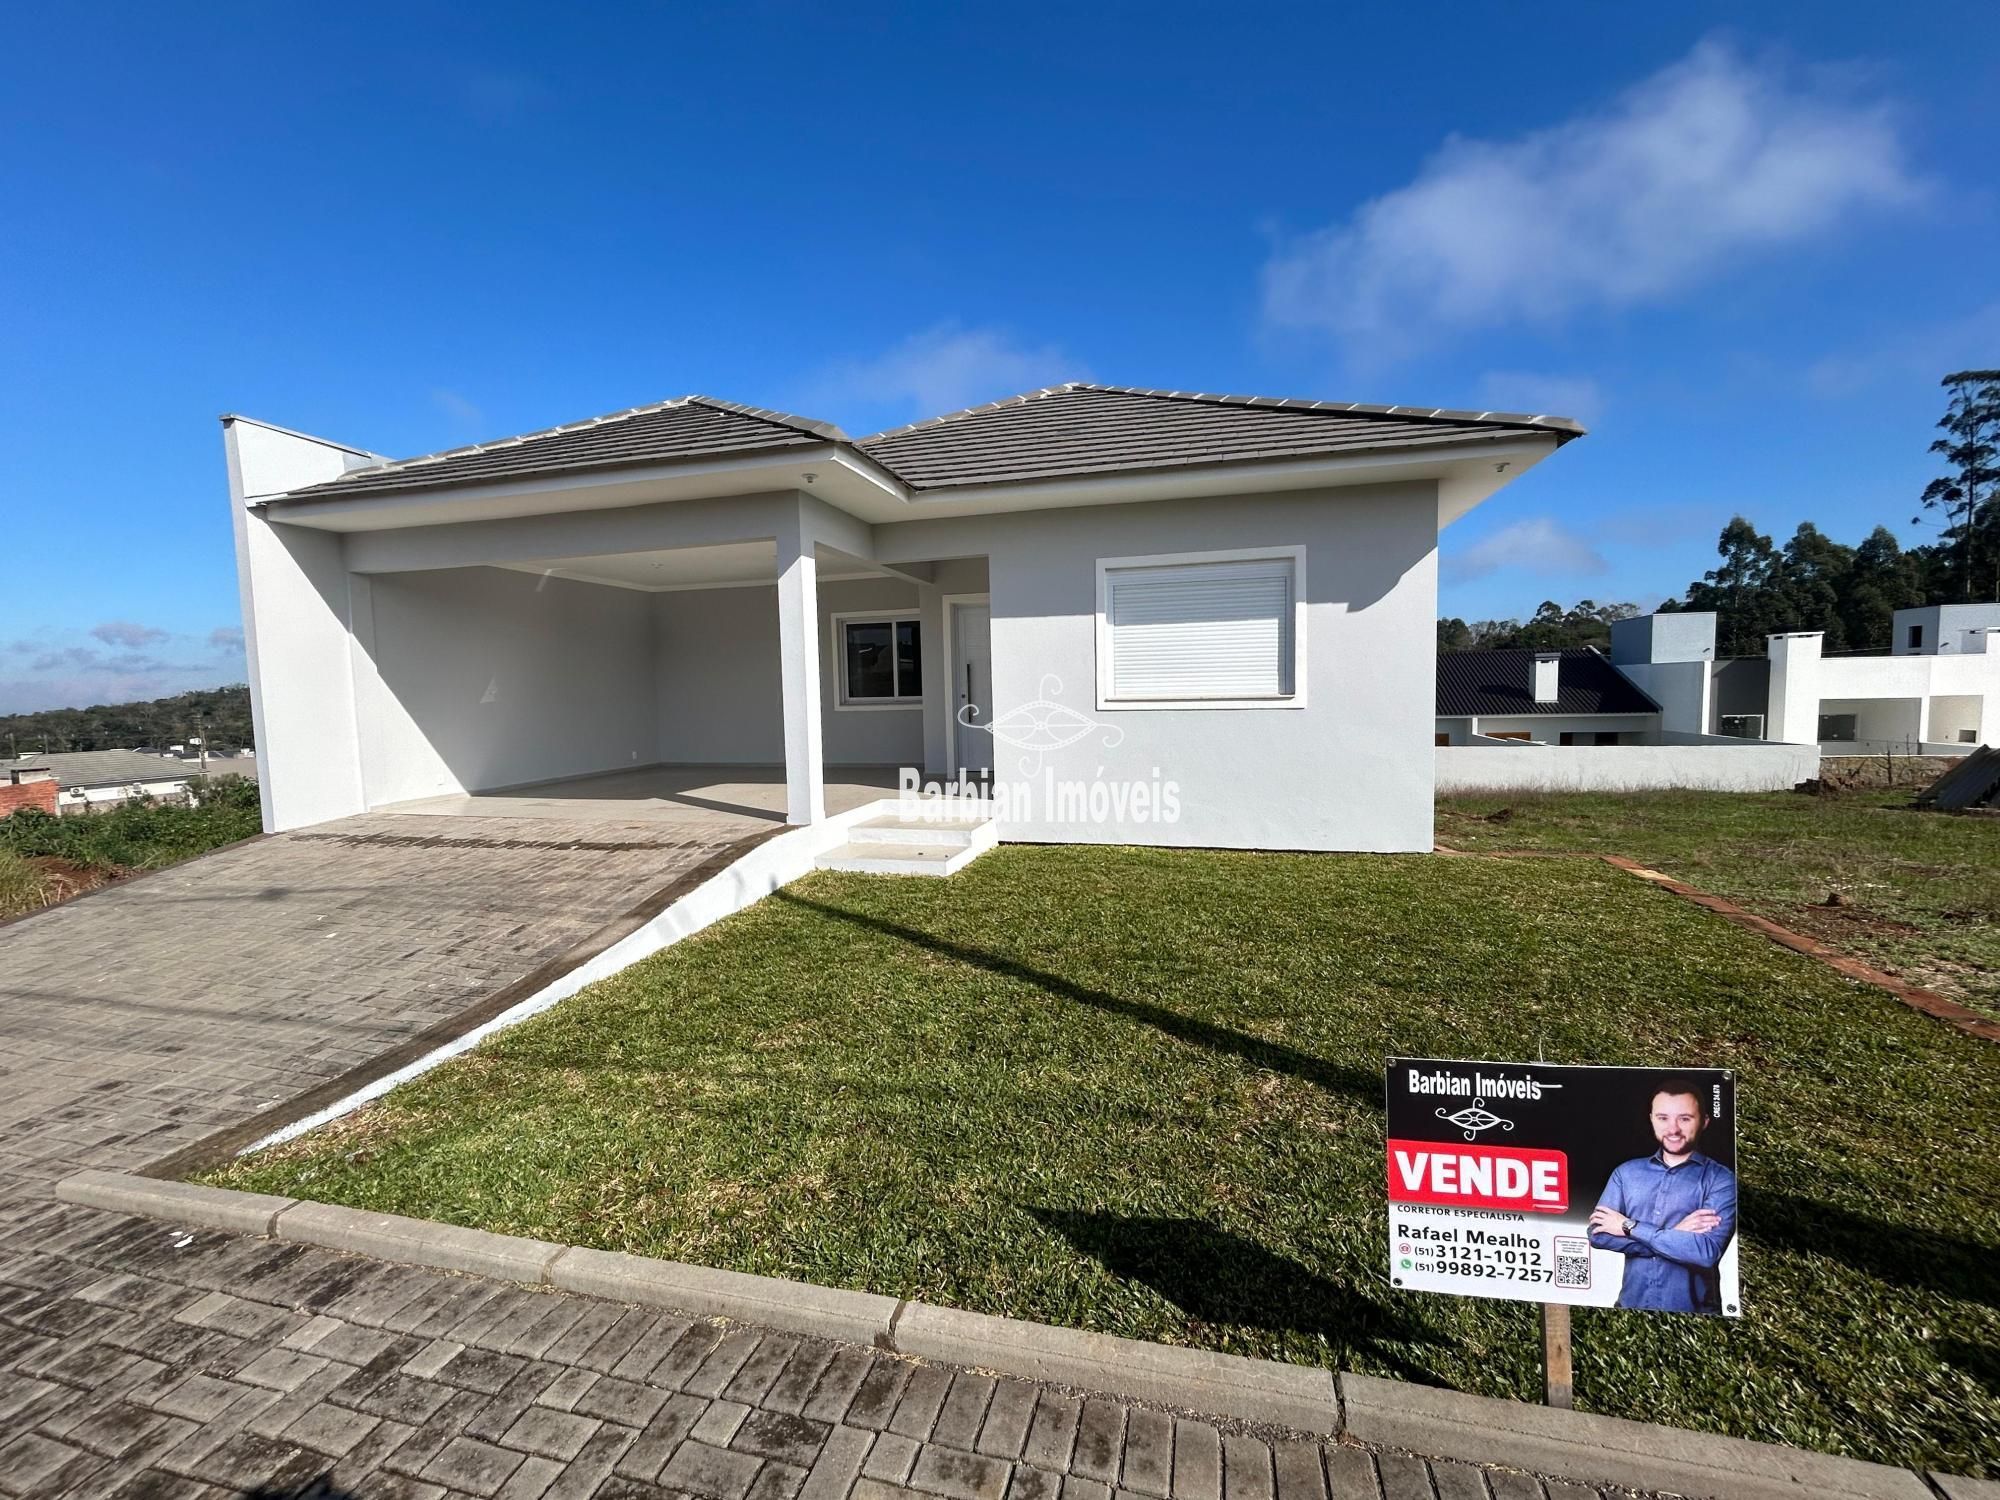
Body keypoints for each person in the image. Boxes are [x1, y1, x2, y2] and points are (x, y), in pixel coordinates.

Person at [1587, 1079, 1737, 1315]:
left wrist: (1629, 1226)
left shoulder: (1721, 1179)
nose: (1673, 1129)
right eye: (1663, 1118)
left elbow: (1706, 1252)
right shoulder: (1626, 1173)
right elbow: (1597, 1235)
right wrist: (1675, 1237)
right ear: (1652, 1119)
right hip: (1629, 1307)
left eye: (1685, 1118)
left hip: (1694, 1317)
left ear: (1704, 1122)